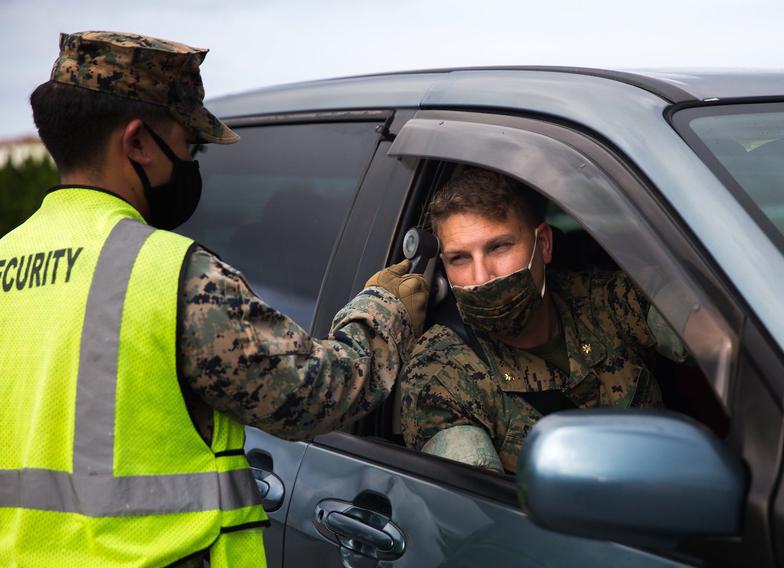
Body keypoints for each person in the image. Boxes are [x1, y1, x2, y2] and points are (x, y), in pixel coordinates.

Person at [0, 32, 427, 567]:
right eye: (189, 145)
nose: (191, 160)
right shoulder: (167, 272)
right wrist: (383, 310)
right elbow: (317, 394)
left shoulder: (6, 259)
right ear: (137, 144)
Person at [400, 167, 711, 475]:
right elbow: (473, 509)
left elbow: (719, 339)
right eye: (460, 258)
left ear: (544, 245)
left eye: (499, 247)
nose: (481, 277)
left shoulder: (603, 300)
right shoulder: (440, 371)